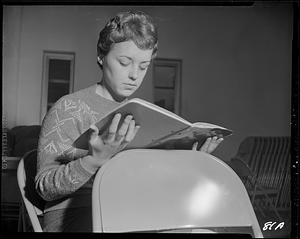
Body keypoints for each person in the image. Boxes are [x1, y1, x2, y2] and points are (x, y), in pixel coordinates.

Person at [35, 11, 223, 232]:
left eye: (143, 66)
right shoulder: (68, 108)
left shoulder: (141, 114)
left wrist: (188, 162)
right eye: (125, 62)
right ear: (101, 56)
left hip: (131, 209)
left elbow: (147, 181)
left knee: (203, 229)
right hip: (77, 214)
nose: (135, 75)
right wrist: (93, 161)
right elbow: (44, 187)